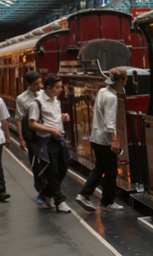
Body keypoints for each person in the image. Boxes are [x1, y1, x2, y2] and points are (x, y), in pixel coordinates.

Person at [76, 68, 127, 212]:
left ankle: (103, 200)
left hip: (96, 137)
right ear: (122, 80)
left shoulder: (102, 91)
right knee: (108, 171)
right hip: (105, 140)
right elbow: (110, 122)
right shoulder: (111, 97)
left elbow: (95, 111)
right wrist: (115, 141)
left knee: (104, 168)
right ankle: (88, 196)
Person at [28, 73, 71, 213]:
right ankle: (60, 201)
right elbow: (32, 124)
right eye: (58, 87)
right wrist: (51, 130)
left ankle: (46, 193)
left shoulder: (56, 101)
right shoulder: (37, 103)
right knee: (53, 172)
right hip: (46, 141)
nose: (61, 90)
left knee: (63, 168)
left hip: (59, 139)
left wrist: (62, 118)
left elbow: (53, 118)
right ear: (48, 87)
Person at [15, 71, 46, 206]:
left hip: (46, 134)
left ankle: (49, 189)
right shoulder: (21, 99)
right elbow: (19, 119)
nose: (39, 86)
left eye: (40, 83)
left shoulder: (45, 94)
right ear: (28, 84)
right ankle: (40, 190)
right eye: (36, 84)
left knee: (49, 162)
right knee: (36, 163)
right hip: (32, 136)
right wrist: (21, 138)